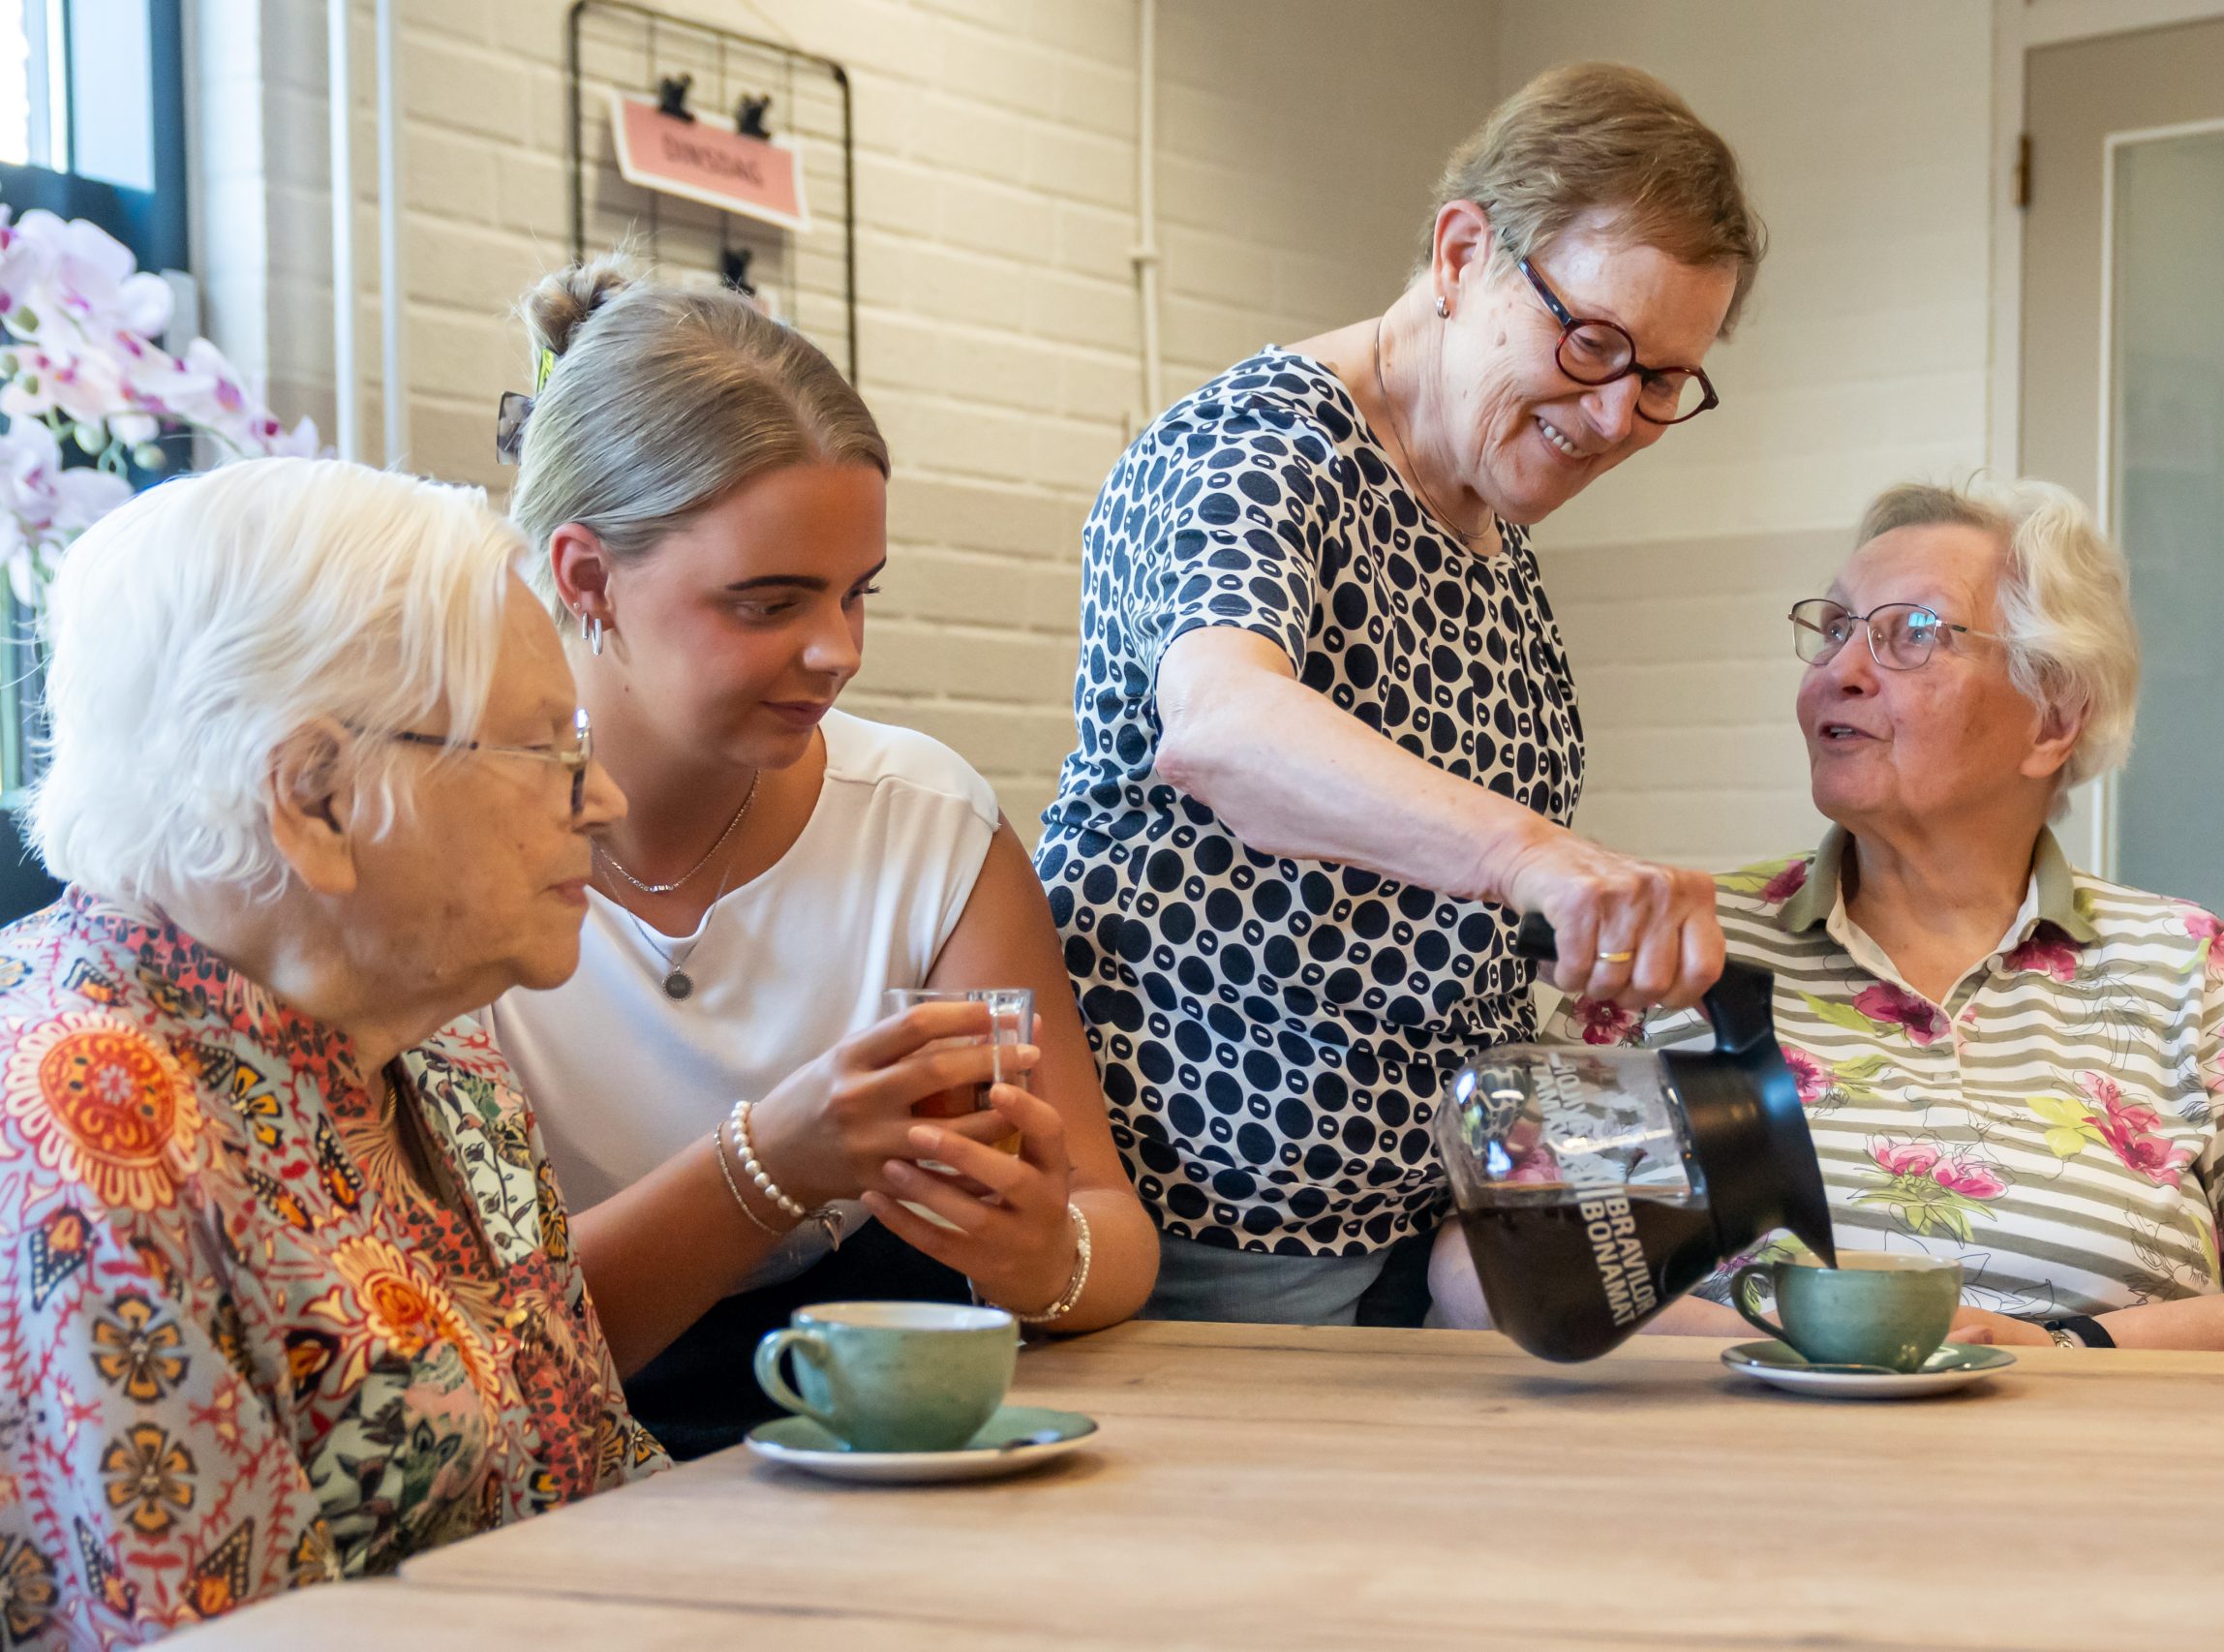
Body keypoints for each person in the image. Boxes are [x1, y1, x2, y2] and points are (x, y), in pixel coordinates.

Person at [1035, 62, 1764, 1326]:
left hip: (1435, 1229)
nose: (1611, 416)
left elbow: (1447, 922)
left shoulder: (1488, 524)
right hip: (1222, 1245)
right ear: (1462, 251)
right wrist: (1537, 855)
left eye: (1661, 381)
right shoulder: (1258, 452)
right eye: (1592, 341)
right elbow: (1222, 727)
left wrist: (1598, 954)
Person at [1433, 479, 2224, 1351]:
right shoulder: (1692, 943)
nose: (1839, 671)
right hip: (1744, 1473)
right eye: (1834, 629)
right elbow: (1484, 1262)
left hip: (2088, 1485)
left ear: (2053, 716)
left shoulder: (2180, 960)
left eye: (1910, 634)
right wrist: (1819, 1340)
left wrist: (2057, 1348)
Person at [486, 260, 1156, 1458]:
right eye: (767, 602)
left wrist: (1048, 1258)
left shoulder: (922, 821)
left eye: (859, 594)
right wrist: (769, 1162)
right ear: (587, 575)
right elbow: (467, 1336)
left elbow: (1113, 1227)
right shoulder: (450, 852)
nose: (836, 650)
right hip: (561, 1468)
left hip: (883, 1453)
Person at [0, 459, 660, 1643]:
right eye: (548, 750)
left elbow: (600, 1482)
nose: (603, 798)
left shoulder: (446, 1061)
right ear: (315, 796)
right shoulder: (87, 1118)